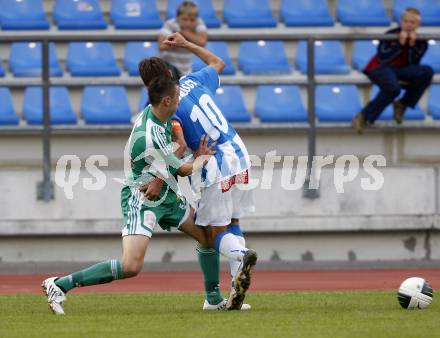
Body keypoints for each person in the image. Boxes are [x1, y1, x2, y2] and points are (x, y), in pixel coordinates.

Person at [42, 71, 219, 315]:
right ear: (167, 100)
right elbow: (185, 169)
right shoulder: (148, 137)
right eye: (177, 96)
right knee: (131, 265)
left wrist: (179, 145)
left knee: (207, 236)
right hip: (142, 198)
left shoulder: (162, 115)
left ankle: (213, 298)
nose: (180, 100)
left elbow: (174, 150)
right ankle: (59, 284)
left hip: (165, 194)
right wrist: (202, 157)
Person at [140, 33, 257, 311]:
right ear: (169, 72)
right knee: (233, 221)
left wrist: (158, 179)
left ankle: (240, 256)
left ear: (149, 86)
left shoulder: (165, 106)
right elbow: (218, 62)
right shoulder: (194, 80)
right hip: (239, 153)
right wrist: (185, 45)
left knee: (212, 233)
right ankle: (234, 293)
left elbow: (178, 148)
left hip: (214, 163)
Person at [353, 7, 433, 134]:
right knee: (393, 88)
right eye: (406, 21)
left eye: (412, 22)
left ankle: (402, 104)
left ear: (418, 25)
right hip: (380, 67)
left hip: (401, 69)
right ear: (401, 21)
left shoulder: (421, 41)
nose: (408, 24)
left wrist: (411, 45)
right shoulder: (390, 34)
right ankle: (364, 116)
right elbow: (384, 57)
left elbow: (414, 63)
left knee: (427, 72)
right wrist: (400, 44)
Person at [158, 1, 208, 77]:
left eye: (192, 20)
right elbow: (162, 46)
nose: (188, 23)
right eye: (184, 19)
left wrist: (183, 33)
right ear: (177, 18)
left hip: (186, 71)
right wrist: (185, 39)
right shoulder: (170, 24)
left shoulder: (199, 23)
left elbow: (202, 42)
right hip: (167, 69)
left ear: (196, 19)